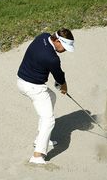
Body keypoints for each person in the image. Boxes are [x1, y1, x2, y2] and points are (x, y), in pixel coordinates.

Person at [17, 28, 75, 164]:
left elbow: (52, 71)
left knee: (51, 97)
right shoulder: (52, 58)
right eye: (64, 47)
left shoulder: (42, 37)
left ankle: (40, 139)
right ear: (57, 41)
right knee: (49, 120)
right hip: (33, 87)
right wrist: (63, 85)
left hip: (21, 81)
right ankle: (37, 156)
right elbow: (59, 75)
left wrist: (59, 83)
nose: (65, 50)